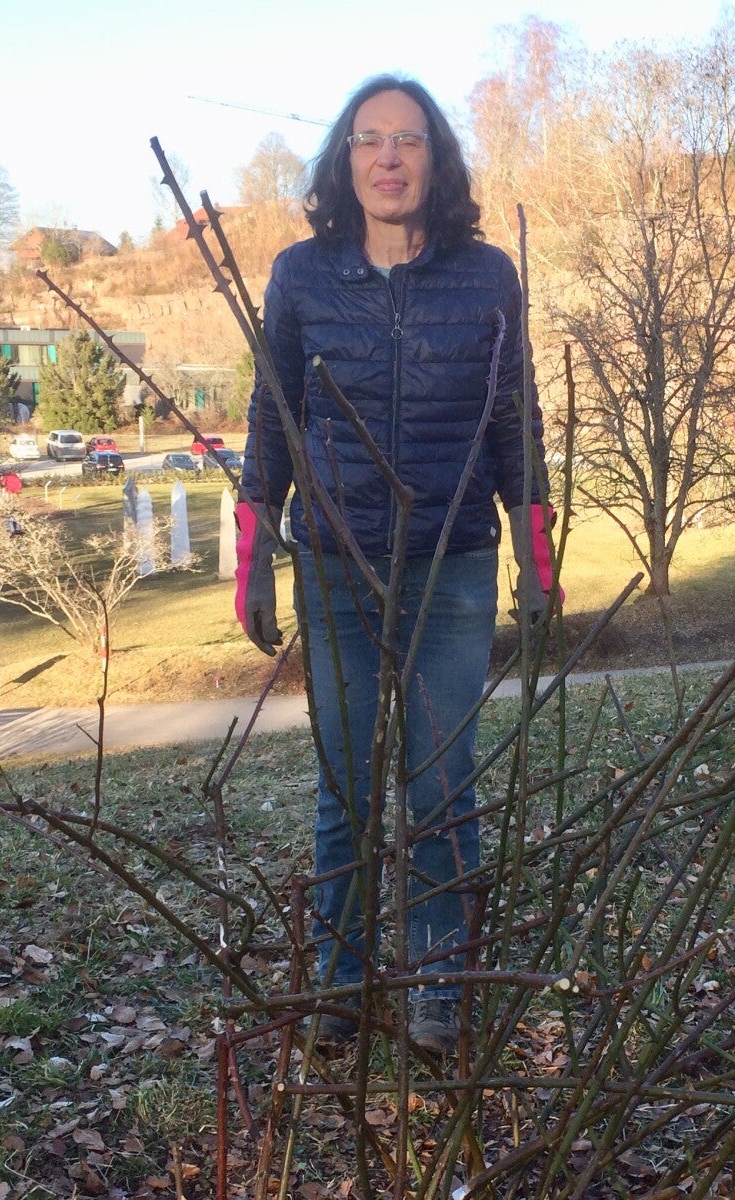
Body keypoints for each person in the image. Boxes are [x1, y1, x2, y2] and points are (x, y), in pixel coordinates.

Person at [233, 75, 555, 1055]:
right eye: (369, 139)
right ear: (346, 159)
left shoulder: (487, 277)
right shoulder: (300, 276)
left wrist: (535, 550)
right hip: (336, 563)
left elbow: (515, 416)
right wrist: (254, 547)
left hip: (452, 565)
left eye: (407, 140)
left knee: (442, 782)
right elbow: (273, 416)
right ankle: (339, 981)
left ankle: (437, 985)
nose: (388, 157)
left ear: (434, 158)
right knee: (346, 787)